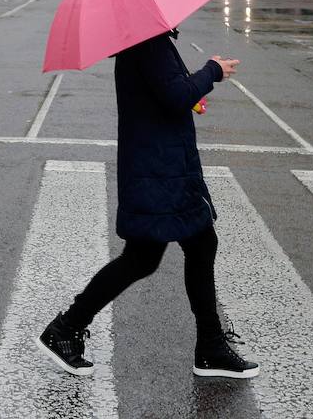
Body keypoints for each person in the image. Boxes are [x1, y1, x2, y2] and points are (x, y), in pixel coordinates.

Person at [37, 30, 260, 380]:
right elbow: (174, 94)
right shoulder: (148, 42)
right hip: (159, 169)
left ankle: (67, 328)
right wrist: (211, 70)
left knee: (163, 253)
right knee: (170, 251)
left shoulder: (143, 40)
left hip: (159, 165)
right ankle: (209, 347)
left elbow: (167, 92)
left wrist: (190, 92)